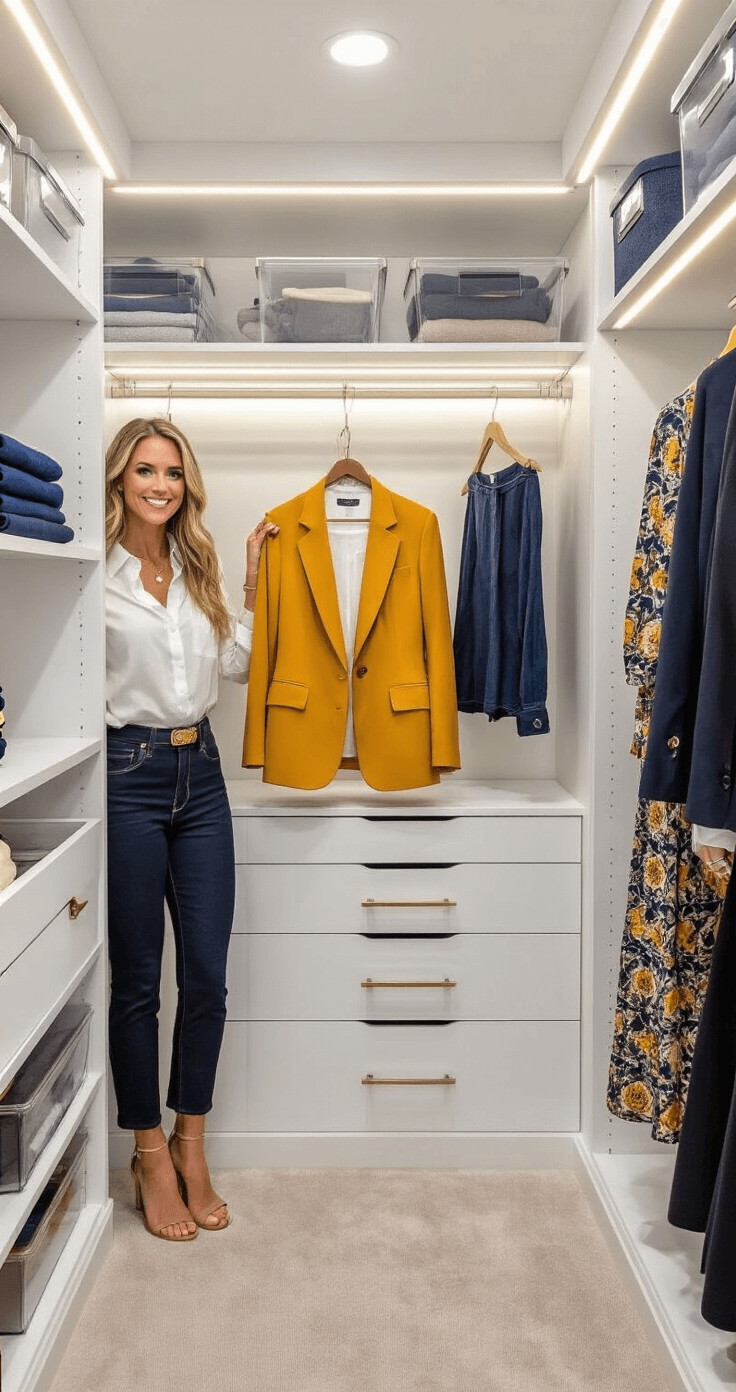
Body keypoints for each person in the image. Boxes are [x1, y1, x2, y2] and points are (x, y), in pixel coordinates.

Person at [105, 417, 276, 1241]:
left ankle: (190, 1141)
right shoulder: (92, 578)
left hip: (202, 777)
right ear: (120, 480)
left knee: (205, 976)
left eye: (173, 471)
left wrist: (245, 579)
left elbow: (234, 668)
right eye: (145, 470)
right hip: (126, 777)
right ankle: (146, 1153)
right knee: (139, 981)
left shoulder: (196, 567)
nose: (161, 484)